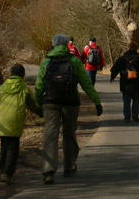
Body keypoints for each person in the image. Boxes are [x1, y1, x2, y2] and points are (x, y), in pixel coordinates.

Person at [35, 34, 103, 184]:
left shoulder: (46, 62)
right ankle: (69, 165)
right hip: (70, 102)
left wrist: (38, 104)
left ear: (53, 45)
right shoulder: (74, 62)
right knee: (69, 134)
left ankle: (48, 171)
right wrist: (96, 102)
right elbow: (86, 83)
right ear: (67, 45)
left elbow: (39, 86)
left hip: (50, 102)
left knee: (50, 135)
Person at [0, 63, 42, 184]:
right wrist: (41, 113)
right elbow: (32, 106)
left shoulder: (0, 88)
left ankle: (2, 170)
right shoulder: (24, 89)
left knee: (4, 147)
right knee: (13, 149)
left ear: (11, 74)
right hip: (16, 122)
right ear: (23, 75)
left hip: (2, 122)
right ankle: (7, 173)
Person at [110, 41, 139, 122]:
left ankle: (127, 116)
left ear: (128, 48)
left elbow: (115, 69)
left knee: (126, 99)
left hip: (125, 82)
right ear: (136, 49)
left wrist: (112, 77)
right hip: (136, 82)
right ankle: (135, 114)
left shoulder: (122, 59)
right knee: (136, 98)